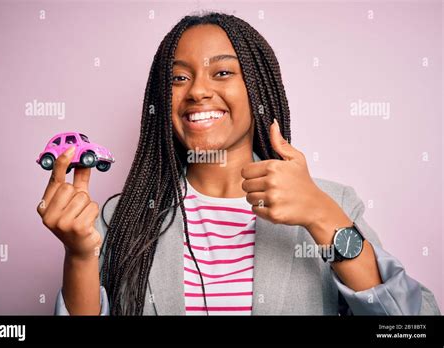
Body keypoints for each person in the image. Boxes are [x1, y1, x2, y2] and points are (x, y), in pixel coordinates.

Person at [36, 11, 441, 316]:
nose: (197, 91)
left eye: (223, 72)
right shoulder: (121, 217)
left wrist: (324, 218)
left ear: (258, 89)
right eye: (178, 78)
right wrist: (80, 257)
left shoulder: (332, 203)